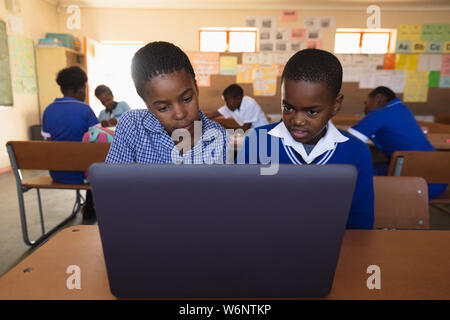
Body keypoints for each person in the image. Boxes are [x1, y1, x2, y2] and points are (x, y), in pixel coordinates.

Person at [237, 49, 374, 229]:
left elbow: (360, 224)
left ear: (336, 104)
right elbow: (240, 210)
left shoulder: (356, 152)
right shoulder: (258, 140)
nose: (297, 120)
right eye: (288, 107)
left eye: (311, 112)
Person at [105, 41, 227, 165]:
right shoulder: (132, 126)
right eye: (163, 108)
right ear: (148, 106)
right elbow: (112, 182)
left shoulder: (218, 136)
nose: (180, 114)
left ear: (196, 88)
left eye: (187, 99)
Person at [348, 86, 447, 199]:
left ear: (378, 98)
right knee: (375, 167)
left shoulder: (380, 114)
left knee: (357, 172)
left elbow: (350, 141)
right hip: (438, 180)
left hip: (416, 182)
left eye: (366, 102)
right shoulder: (403, 109)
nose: (365, 108)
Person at [41, 66, 99, 220]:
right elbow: (98, 140)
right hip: (83, 176)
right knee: (98, 158)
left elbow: (48, 143)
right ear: (80, 89)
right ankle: (92, 208)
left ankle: (89, 206)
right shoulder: (85, 110)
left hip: (57, 173)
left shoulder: (48, 110)